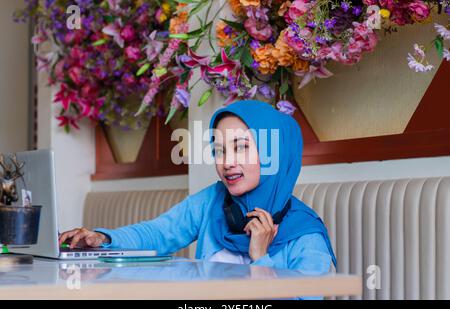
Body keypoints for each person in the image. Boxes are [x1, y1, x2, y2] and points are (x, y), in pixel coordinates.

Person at [59, 100, 337, 286]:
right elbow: (158, 233)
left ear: (274, 153)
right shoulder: (214, 200)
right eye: (219, 150)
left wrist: (261, 258)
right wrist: (103, 238)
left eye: (241, 147)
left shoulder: (307, 238)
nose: (227, 162)